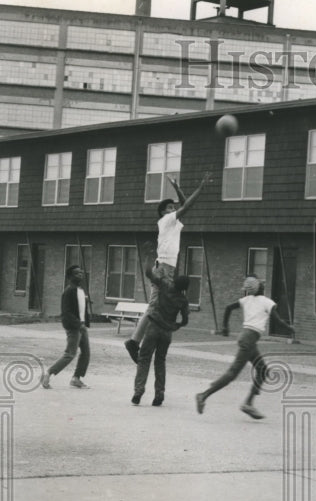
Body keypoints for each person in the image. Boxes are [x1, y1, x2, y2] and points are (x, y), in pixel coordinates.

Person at [125, 171, 211, 362]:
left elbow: (183, 203)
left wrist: (176, 187)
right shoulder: (166, 220)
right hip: (163, 266)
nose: (174, 209)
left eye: (174, 207)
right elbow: (187, 205)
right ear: (164, 212)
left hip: (167, 266)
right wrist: (201, 188)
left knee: (157, 306)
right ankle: (133, 341)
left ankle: (138, 339)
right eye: (170, 208)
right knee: (154, 305)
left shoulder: (173, 223)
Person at [195, 276, 293, 420]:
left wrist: (225, 327)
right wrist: (290, 328)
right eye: (262, 284)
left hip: (246, 338)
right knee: (233, 373)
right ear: (260, 288)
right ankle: (203, 395)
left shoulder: (246, 300)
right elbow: (277, 321)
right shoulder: (267, 302)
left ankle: (248, 403)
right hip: (249, 339)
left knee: (263, 370)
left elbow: (228, 308)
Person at [132, 264, 190, 406]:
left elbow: (148, 273)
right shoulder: (183, 300)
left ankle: (138, 392)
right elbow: (185, 320)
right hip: (167, 332)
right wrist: (175, 326)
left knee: (144, 359)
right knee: (160, 361)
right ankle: (159, 394)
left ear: (175, 281)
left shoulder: (165, 285)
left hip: (154, 326)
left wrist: (147, 256)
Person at [42, 264, 92, 389]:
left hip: (81, 326)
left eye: (81, 272)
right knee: (70, 353)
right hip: (74, 327)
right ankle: (48, 373)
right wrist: (77, 324)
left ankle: (76, 378)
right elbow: (66, 312)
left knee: (86, 353)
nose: (80, 275)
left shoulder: (80, 290)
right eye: (76, 273)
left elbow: (81, 308)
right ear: (70, 276)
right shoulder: (69, 291)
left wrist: (84, 323)